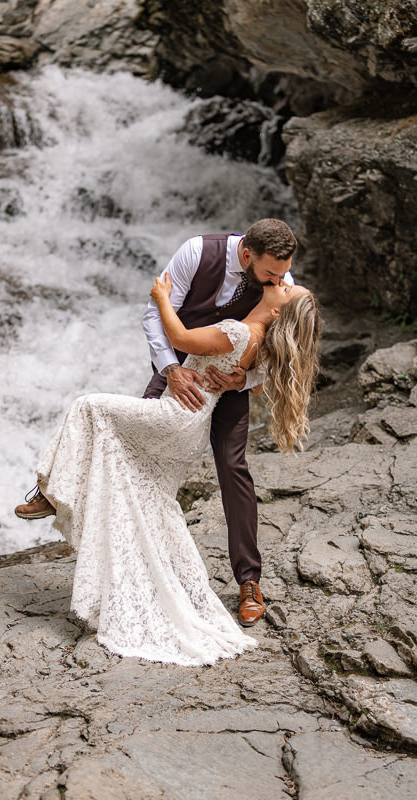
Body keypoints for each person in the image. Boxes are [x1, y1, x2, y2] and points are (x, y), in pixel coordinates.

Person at [14, 272, 321, 666]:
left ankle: (53, 493)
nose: (280, 280)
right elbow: (258, 384)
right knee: (151, 503)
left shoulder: (239, 333)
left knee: (88, 406)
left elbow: (179, 340)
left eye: (284, 287)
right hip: (189, 427)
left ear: (278, 309)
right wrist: (239, 379)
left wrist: (161, 296)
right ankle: (146, 588)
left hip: (174, 417)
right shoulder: (256, 340)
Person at [142, 218, 300, 627]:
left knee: (234, 468)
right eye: (270, 273)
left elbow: (281, 348)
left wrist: (245, 379)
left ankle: (249, 581)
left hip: (229, 384)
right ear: (247, 254)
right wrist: (171, 371)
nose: (277, 280)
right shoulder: (196, 252)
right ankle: (56, 493)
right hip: (180, 370)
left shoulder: (281, 278)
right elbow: (155, 314)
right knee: (137, 448)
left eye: (282, 274)